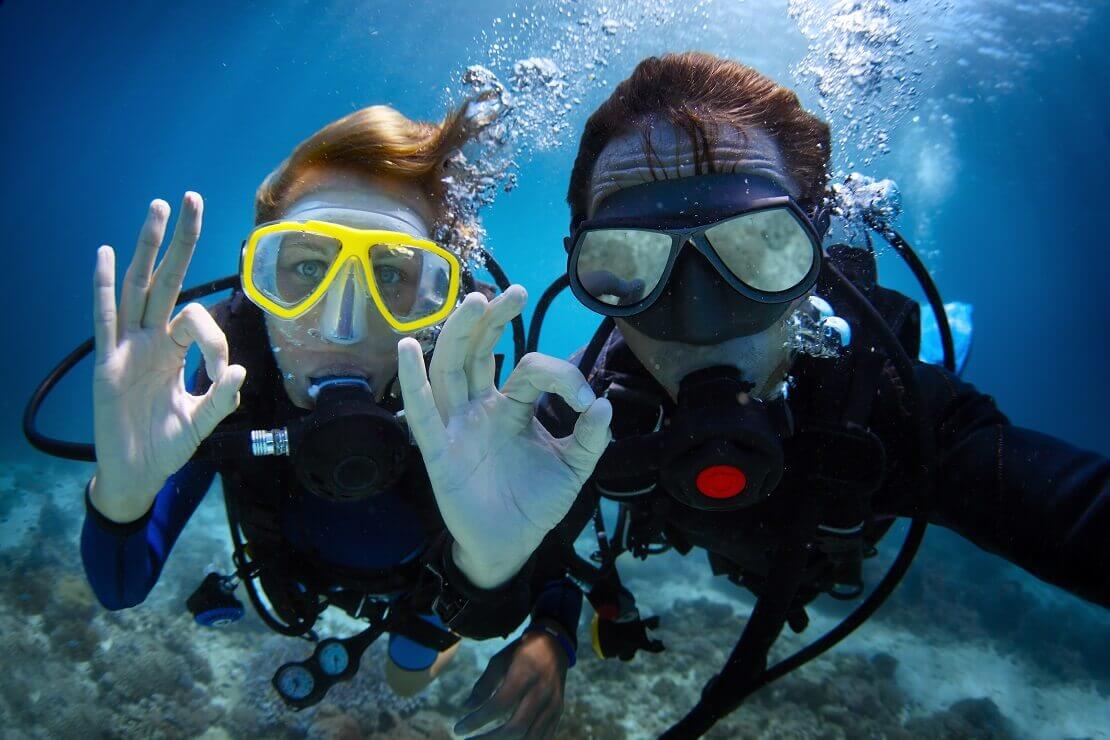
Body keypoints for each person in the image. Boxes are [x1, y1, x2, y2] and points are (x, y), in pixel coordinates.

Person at [517, 51, 1108, 737]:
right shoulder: (580, 413)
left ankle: (952, 335)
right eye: (625, 262)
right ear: (584, 268)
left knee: (933, 356)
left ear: (815, 246)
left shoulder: (891, 407)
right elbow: (528, 552)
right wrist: (545, 626)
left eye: (761, 247)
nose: (700, 323)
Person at [80, 101, 611, 732]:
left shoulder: (468, 393)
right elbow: (121, 587)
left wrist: (539, 622)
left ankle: (412, 659)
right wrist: (123, 494)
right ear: (259, 284)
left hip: (426, 595)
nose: (342, 325)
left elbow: (545, 550)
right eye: (306, 268)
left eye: (391, 274)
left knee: (406, 670)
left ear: (440, 305)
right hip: (298, 583)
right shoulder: (227, 380)